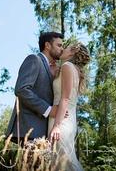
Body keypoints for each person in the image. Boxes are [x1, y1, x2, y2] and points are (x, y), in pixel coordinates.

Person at [6, 32, 77, 143]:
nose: (62, 49)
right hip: (29, 129)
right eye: (59, 45)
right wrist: (49, 110)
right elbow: (22, 90)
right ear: (47, 45)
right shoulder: (34, 59)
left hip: (43, 132)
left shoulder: (54, 68)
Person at [48, 43, 90, 171]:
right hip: (67, 119)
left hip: (60, 121)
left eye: (65, 47)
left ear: (72, 52)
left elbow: (65, 98)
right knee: (62, 162)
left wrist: (56, 126)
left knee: (66, 163)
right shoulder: (71, 69)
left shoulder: (67, 66)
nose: (62, 49)